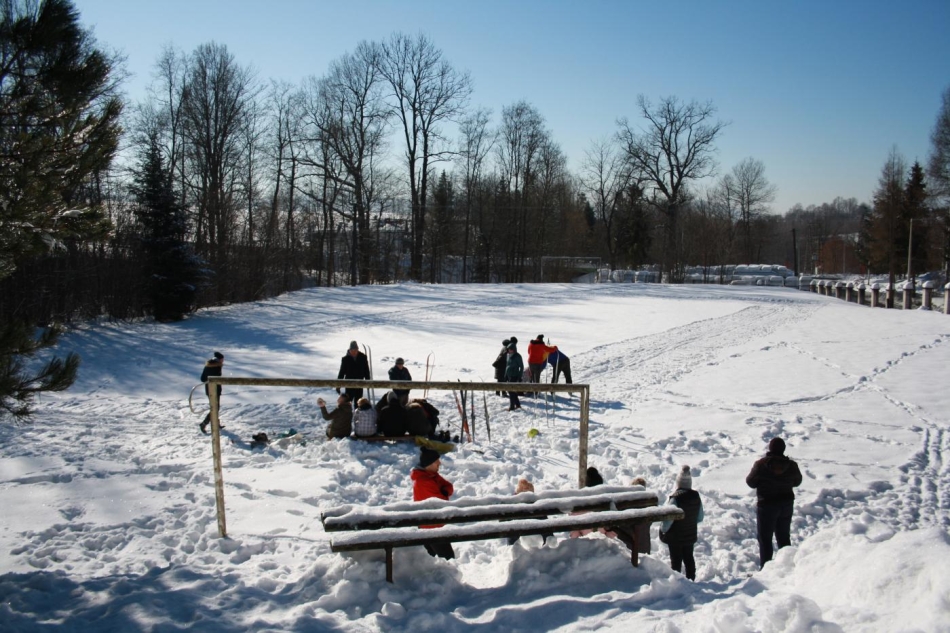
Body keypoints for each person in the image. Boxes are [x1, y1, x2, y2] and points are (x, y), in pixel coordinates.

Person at [746, 437, 803, 568]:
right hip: (786, 505)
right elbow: (797, 481)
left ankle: (766, 569)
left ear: (770, 448)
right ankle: (787, 567)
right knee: (783, 537)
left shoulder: (761, 464)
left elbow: (750, 482)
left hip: (767, 505)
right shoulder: (792, 465)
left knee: (765, 539)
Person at [659, 466, 704, 581]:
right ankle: (691, 579)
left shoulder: (675, 498)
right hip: (690, 534)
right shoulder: (696, 496)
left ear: (678, 483)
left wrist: (663, 530)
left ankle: (677, 582)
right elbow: (700, 517)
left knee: (676, 560)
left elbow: (668, 519)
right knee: (689, 558)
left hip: (675, 537)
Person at [411, 448, 455, 559]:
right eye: (437, 461)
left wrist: (444, 491)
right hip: (430, 527)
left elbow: (449, 486)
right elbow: (442, 501)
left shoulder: (432, 475)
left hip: (435, 524)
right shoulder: (424, 481)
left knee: (436, 559)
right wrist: (444, 493)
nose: (439, 463)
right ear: (429, 464)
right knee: (448, 558)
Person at [199, 351, 225, 434]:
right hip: (215, 390)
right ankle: (204, 423)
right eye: (222, 359)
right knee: (215, 408)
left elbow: (203, 378)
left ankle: (216, 423)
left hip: (208, 390)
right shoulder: (217, 367)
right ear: (219, 359)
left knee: (215, 407)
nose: (223, 361)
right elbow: (217, 379)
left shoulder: (208, 365)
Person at [504, 342, 524, 411]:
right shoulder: (508, 355)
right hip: (509, 375)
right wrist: (505, 375)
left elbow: (521, 367)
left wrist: (519, 376)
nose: (510, 350)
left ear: (514, 349)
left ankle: (512, 406)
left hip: (514, 375)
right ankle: (517, 404)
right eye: (509, 349)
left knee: (511, 391)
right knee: (511, 391)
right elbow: (507, 365)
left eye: (511, 349)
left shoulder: (517, 356)